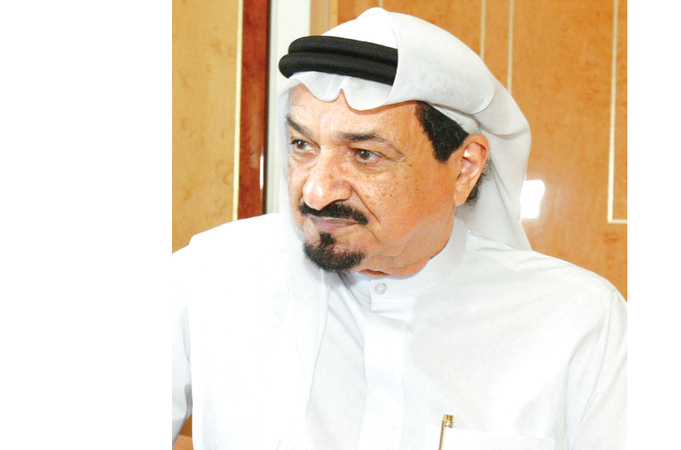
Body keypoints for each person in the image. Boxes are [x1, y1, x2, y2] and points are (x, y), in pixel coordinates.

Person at [172, 7, 626, 450]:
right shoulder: (208, 277)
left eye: (365, 155)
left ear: (464, 168)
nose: (316, 192)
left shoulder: (582, 321)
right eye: (303, 145)